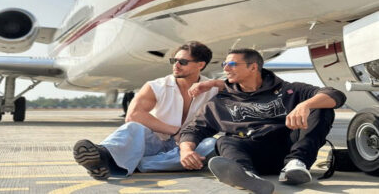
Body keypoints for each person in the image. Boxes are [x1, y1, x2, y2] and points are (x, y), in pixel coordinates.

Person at [179, 48, 346, 194]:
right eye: (225, 64)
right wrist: (186, 151)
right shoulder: (220, 102)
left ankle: (297, 165)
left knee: (321, 107)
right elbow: (194, 129)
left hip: (289, 149)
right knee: (224, 141)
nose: (226, 68)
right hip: (253, 154)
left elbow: (335, 95)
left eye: (232, 64)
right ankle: (245, 174)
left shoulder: (290, 90)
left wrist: (305, 105)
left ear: (253, 67)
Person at [73, 41, 219, 179]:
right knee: (133, 127)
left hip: (189, 146)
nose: (176, 65)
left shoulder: (212, 89)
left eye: (183, 62)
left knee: (211, 145)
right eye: (174, 61)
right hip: (155, 143)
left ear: (200, 65)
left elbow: (239, 90)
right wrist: (175, 130)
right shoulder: (156, 86)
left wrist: (215, 83)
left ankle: (127, 162)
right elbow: (133, 115)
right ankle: (103, 154)